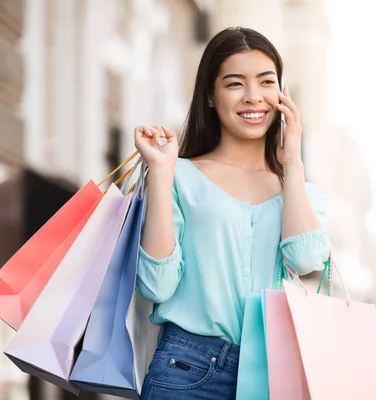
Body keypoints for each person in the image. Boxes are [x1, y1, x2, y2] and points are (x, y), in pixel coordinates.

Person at [134, 26, 332, 399]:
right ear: (210, 95)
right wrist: (161, 173)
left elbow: (305, 259)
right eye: (235, 83)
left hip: (277, 374)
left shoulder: (301, 192)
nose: (253, 97)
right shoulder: (180, 176)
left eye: (266, 82)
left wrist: (293, 159)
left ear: (281, 94)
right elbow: (155, 285)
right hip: (188, 371)